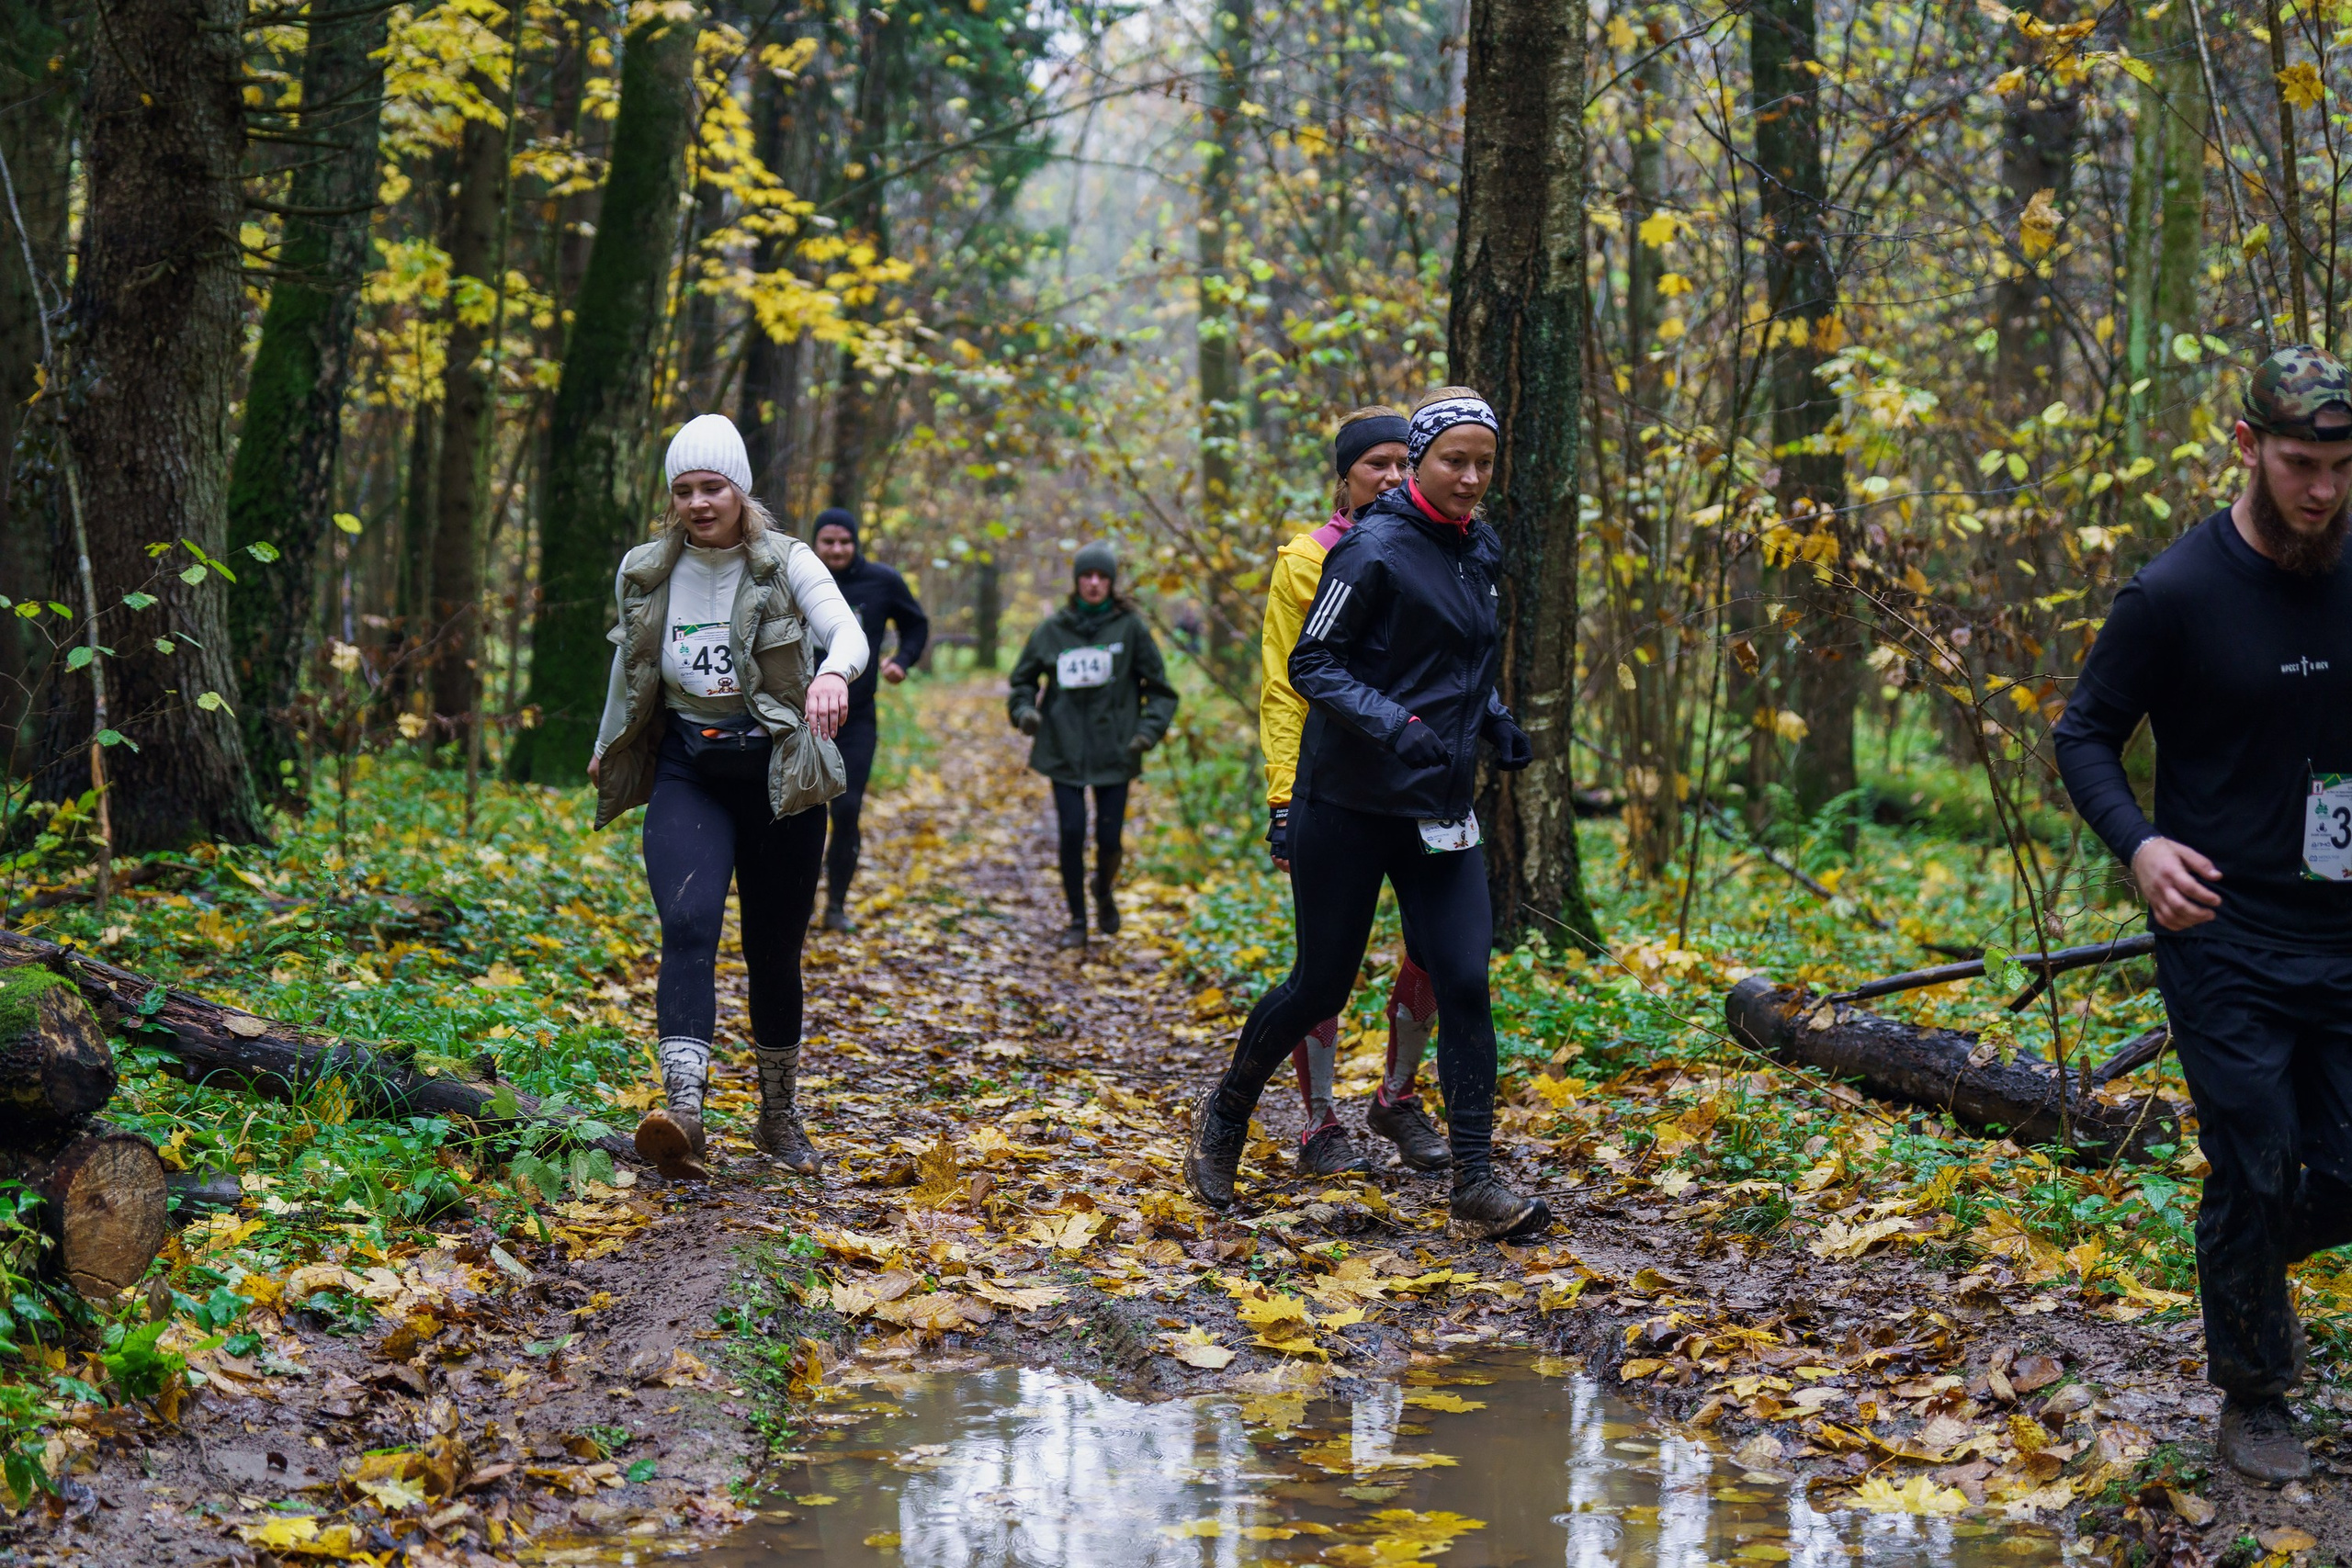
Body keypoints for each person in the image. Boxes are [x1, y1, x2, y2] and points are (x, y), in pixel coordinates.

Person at [2053, 345, 2352, 1484]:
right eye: (2297, 464)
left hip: (2343, 927)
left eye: (2337, 466)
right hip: (2221, 931)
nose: (2320, 489)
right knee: (2255, 1156)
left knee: (2327, 1173)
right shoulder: (2173, 594)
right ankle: (2256, 1395)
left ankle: (2235, 1260)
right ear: (2245, 449)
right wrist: (2140, 846)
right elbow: (2082, 732)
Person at [1185, 389, 1544, 1240]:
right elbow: (1314, 664)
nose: (1469, 476)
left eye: (1482, 463)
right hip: (1345, 801)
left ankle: (1476, 1179)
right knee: (1321, 982)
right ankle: (1229, 1113)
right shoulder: (1373, 548)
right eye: (1454, 460)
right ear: (1417, 461)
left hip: (1438, 807)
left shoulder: (1479, 549)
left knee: (1463, 980)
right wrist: (1399, 726)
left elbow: (1461, 660)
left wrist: (1492, 721)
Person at [588, 413, 868, 1182]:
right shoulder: (645, 569)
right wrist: (607, 741)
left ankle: (779, 1116)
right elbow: (631, 667)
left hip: (780, 776)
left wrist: (832, 675)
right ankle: (683, 1110)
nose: (698, 502)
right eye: (683, 490)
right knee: (686, 920)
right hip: (690, 768)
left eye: (711, 487)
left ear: (740, 488)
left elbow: (847, 632)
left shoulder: (788, 563)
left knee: (773, 952)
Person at [1260, 406, 1448, 1178]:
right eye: (1377, 464)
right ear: (1345, 475)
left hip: (1419, 788)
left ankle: (1397, 1098)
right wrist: (1282, 800)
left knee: (1435, 953)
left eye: (1406, 462)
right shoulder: (1307, 560)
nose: (1394, 477)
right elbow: (1284, 685)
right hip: (1330, 789)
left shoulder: (1446, 548)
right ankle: (1317, 1123)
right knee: (1326, 964)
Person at [1007, 542, 1179, 947]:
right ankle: (1077, 921)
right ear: (1077, 581)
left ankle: (1102, 889)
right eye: (1087, 576)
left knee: (1109, 838)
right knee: (1070, 831)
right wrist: (1024, 713)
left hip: (1116, 749)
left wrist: (1146, 733)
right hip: (1061, 747)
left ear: (1112, 582)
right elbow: (1022, 682)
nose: (1095, 583)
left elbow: (1161, 691)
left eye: (1102, 577)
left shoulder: (1130, 628)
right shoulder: (1052, 630)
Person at [809, 507, 930, 931]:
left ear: (856, 543)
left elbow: (916, 624)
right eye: (829, 542)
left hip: (855, 716)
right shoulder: (796, 578)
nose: (838, 549)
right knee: (799, 813)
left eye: (845, 542)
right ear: (816, 543)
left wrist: (902, 660)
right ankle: (798, 901)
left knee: (846, 809)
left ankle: (836, 906)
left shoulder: (881, 581)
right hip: (798, 719)